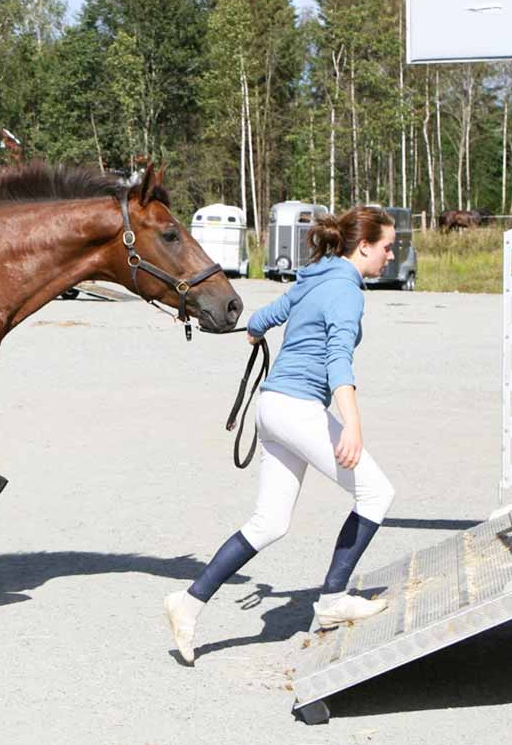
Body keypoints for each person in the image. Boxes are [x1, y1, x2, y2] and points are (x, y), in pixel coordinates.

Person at [164, 206, 397, 664]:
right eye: (387, 247)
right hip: (298, 409)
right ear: (364, 245)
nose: (391, 256)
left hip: (270, 408)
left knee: (269, 523)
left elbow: (264, 316)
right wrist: (352, 425)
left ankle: (187, 603)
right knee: (376, 494)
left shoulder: (314, 276)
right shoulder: (347, 290)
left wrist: (253, 332)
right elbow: (338, 363)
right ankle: (332, 599)